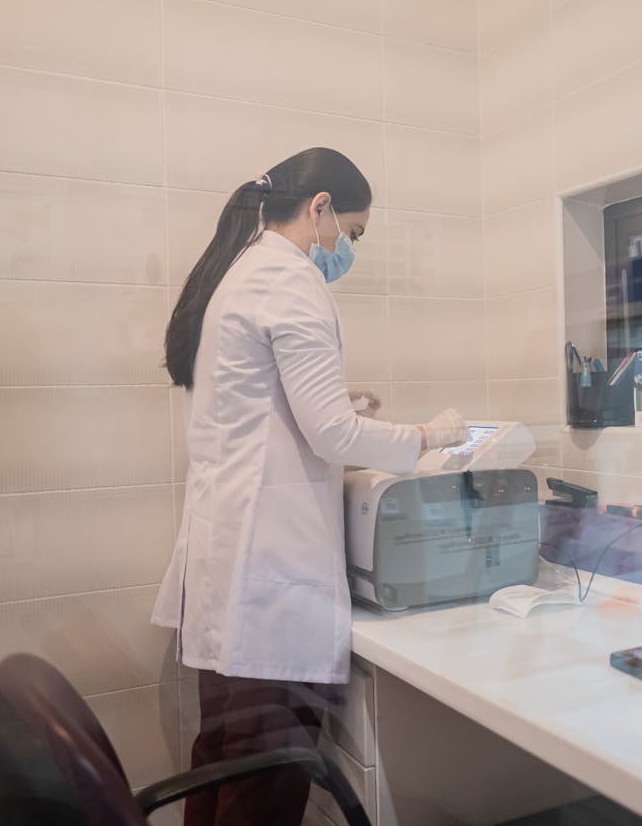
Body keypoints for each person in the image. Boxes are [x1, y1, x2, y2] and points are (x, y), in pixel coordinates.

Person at [152, 147, 468, 826]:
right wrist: (429, 435)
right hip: (267, 579)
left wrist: (337, 400)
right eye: (351, 232)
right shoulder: (290, 280)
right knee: (265, 776)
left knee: (226, 757)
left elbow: (252, 406)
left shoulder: (239, 274)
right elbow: (334, 436)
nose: (345, 248)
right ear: (319, 207)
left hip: (226, 571)